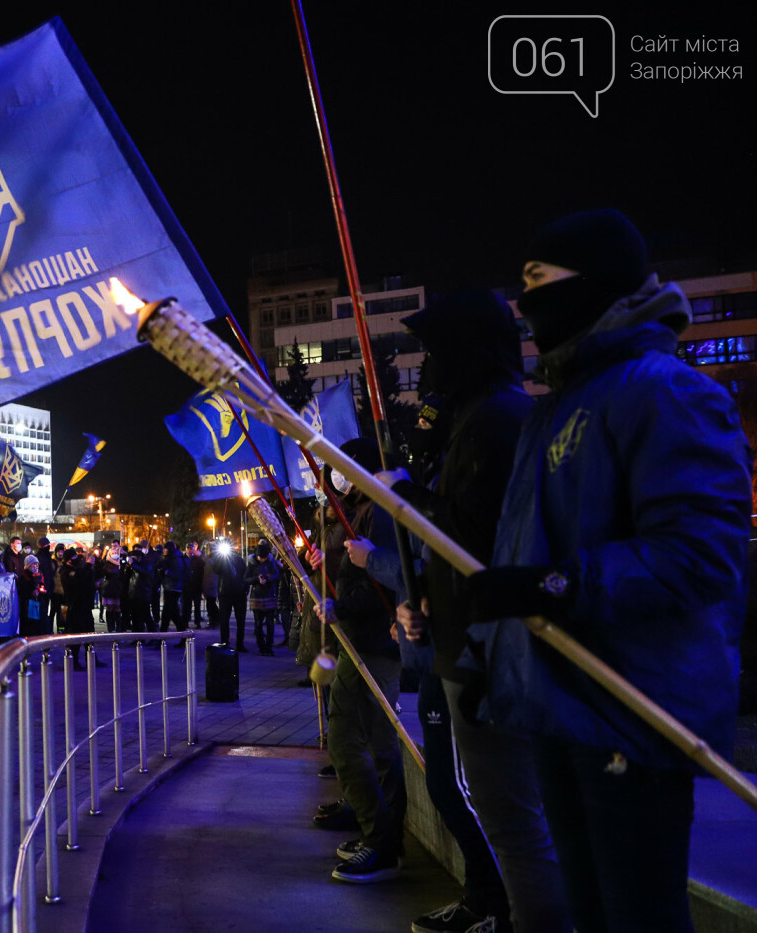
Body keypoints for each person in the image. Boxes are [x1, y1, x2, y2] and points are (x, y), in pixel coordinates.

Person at [463, 209, 750, 933]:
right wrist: (487, 658)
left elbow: (702, 551)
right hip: (563, 707)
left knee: (637, 915)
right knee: (590, 911)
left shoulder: (662, 391)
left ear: (596, 285)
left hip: (633, 708)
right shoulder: (553, 410)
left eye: (539, 283)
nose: (525, 306)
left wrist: (558, 584)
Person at [377, 289, 537, 933]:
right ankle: (487, 904)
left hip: (490, 656)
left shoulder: (497, 421)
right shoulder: (473, 421)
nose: (426, 366)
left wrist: (408, 498)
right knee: (475, 799)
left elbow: (479, 535)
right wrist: (423, 606)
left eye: (435, 351)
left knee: (514, 823)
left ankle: (506, 911)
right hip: (459, 645)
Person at [313, 437, 405, 884]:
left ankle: (383, 842)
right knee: (358, 741)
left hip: (375, 646)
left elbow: (384, 582)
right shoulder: (355, 509)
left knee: (365, 743)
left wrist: (343, 607)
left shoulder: (378, 511)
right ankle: (379, 835)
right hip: (358, 642)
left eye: (342, 465)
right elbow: (347, 572)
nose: (336, 474)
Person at [244, 544, 280, 655]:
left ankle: (269, 647)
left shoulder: (271, 562)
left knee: (270, 624)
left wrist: (268, 578)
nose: (261, 559)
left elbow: (276, 575)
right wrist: (256, 579)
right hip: (257, 598)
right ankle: (261, 647)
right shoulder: (252, 563)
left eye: (263, 557)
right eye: (260, 557)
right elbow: (245, 579)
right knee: (258, 624)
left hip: (269, 596)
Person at [211, 542, 247, 650]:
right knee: (224, 619)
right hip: (225, 593)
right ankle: (225, 642)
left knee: (240, 620)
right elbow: (215, 569)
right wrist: (219, 557)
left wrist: (245, 588)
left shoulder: (239, 560)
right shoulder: (221, 560)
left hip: (239, 594)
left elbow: (245, 574)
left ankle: (239, 644)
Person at [155, 542, 187, 633]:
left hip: (174, 589)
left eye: (166, 549)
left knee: (167, 614)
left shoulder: (177, 559)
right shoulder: (169, 558)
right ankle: (183, 635)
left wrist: (166, 571)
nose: (164, 551)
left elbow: (178, 575)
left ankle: (162, 637)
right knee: (173, 614)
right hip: (169, 588)